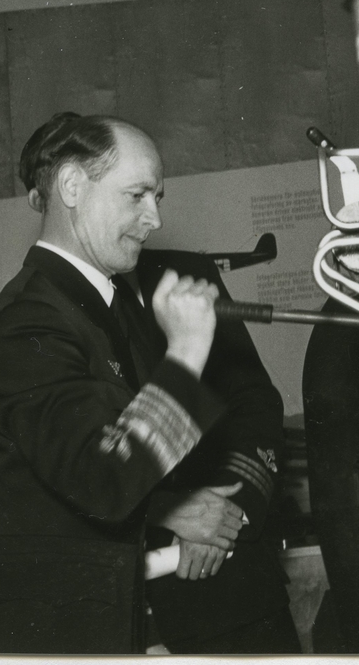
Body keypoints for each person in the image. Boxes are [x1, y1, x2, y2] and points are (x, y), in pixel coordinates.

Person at [0, 112, 241, 654]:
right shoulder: (26, 324)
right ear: (72, 187)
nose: (154, 218)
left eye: (157, 198)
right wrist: (187, 350)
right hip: (33, 635)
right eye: (137, 195)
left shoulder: (99, 308)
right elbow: (104, 481)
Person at [135, 250, 300, 654]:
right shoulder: (40, 310)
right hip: (108, 613)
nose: (154, 220)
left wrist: (225, 519)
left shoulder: (185, 275)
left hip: (223, 590)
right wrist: (170, 511)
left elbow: (253, 402)